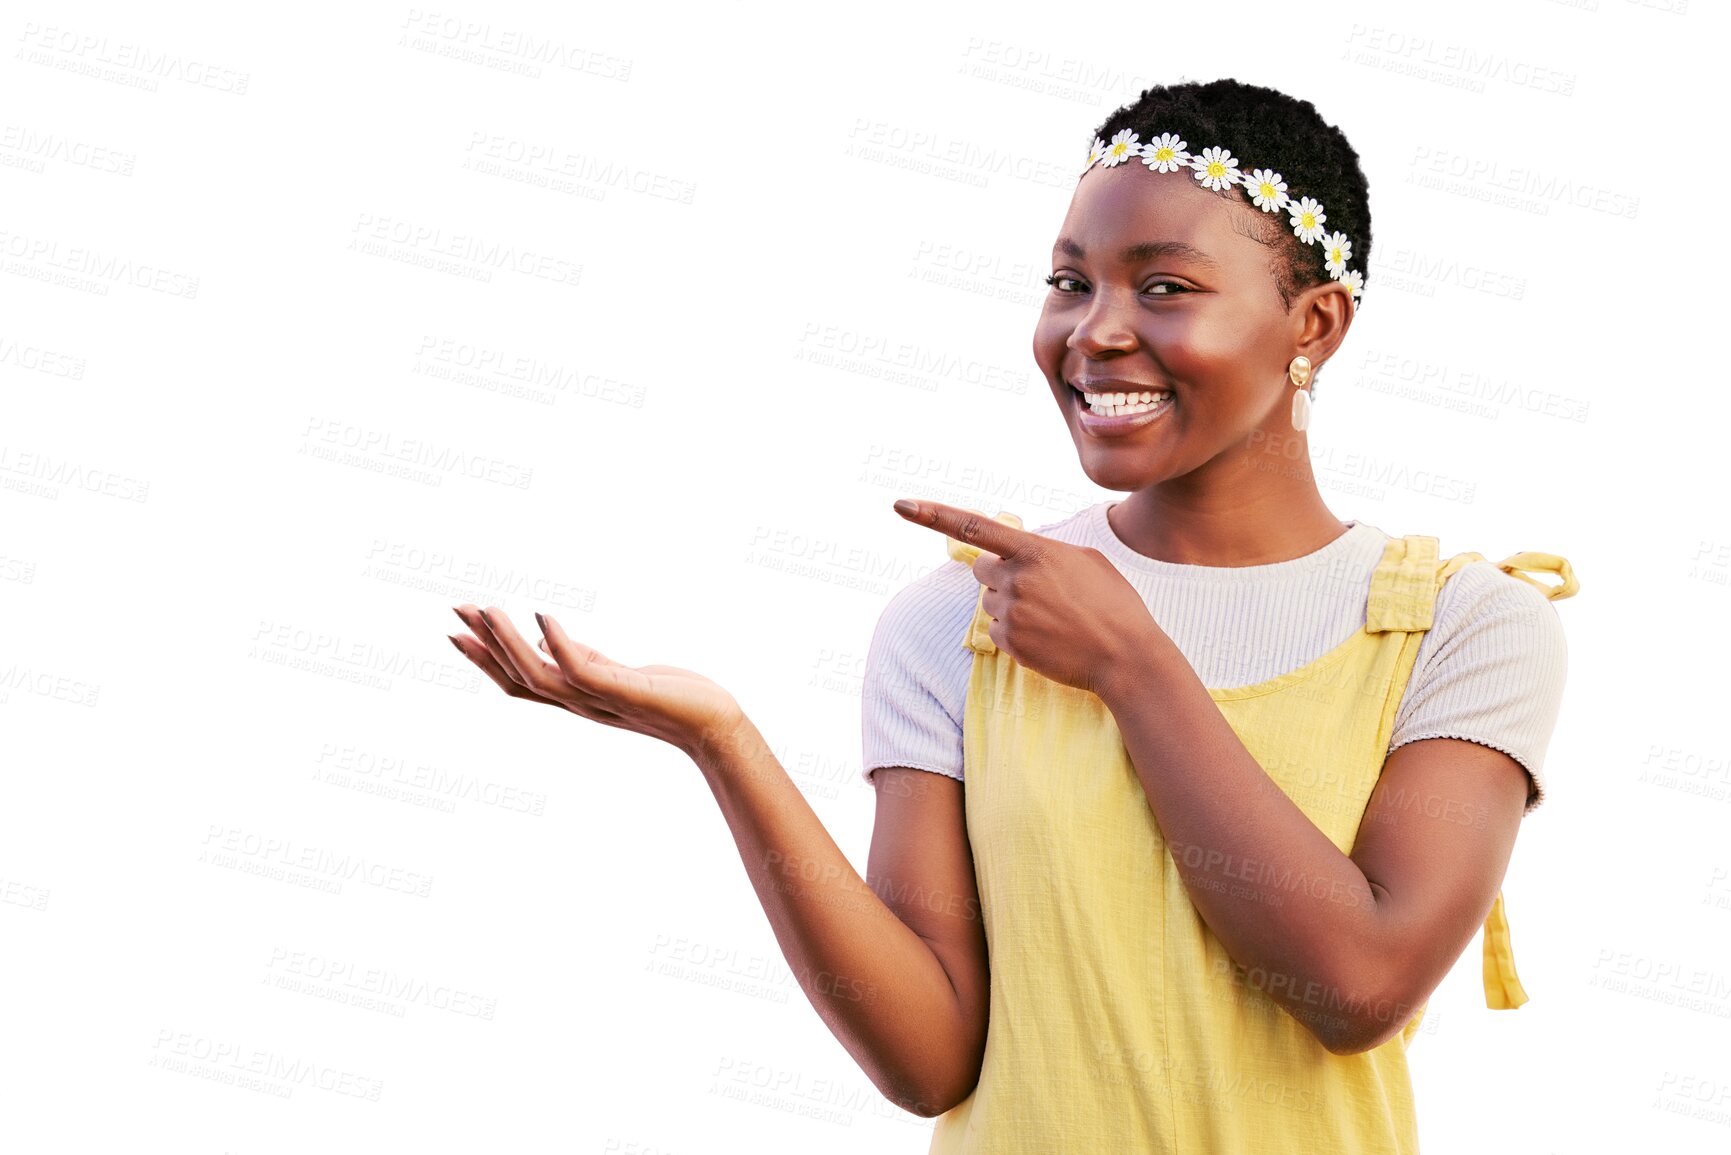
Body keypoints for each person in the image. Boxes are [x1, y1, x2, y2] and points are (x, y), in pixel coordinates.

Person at [447, 77, 1577, 1153]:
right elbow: (931, 1059)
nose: (1095, 332)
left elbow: (1356, 985)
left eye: (1165, 287)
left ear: (1315, 326)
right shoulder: (960, 622)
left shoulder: (1461, 627)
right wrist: (722, 743)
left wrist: (1133, 664)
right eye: (1071, 281)